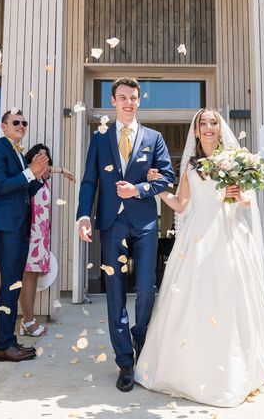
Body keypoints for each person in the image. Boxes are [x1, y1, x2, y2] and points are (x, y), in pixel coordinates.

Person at [135, 108, 264, 407]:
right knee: (191, 297)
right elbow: (180, 205)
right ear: (195, 130)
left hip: (226, 235)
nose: (207, 127)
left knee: (227, 297)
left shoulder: (235, 161)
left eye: (213, 123)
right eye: (202, 123)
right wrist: (159, 188)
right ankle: (185, 368)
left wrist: (238, 194)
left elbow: (245, 200)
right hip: (195, 238)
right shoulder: (190, 166)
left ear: (219, 128)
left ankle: (232, 367)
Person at [76, 77, 175, 392]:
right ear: (113, 101)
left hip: (144, 221)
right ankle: (125, 362)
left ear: (139, 100)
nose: (128, 103)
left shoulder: (154, 137)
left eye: (133, 98)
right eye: (122, 98)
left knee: (146, 287)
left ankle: (141, 336)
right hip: (111, 222)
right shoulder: (100, 136)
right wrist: (83, 215)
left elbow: (167, 177)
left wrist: (140, 188)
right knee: (115, 292)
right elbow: (90, 180)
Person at [0, 110, 50, 362]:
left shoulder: (18, 153)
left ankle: (8, 341)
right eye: (16, 122)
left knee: (14, 284)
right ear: (3, 126)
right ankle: (3, 345)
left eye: (24, 122)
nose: (21, 125)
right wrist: (31, 171)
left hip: (19, 227)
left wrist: (39, 177)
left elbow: (22, 190)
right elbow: (0, 185)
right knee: (9, 284)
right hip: (5, 226)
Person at [19, 144, 75, 337]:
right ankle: (28, 321)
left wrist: (63, 170)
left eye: (46, 158)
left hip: (41, 236)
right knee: (28, 278)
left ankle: (28, 320)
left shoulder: (43, 180)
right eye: (39, 157)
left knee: (33, 277)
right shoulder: (29, 178)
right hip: (30, 236)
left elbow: (49, 169)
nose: (44, 161)